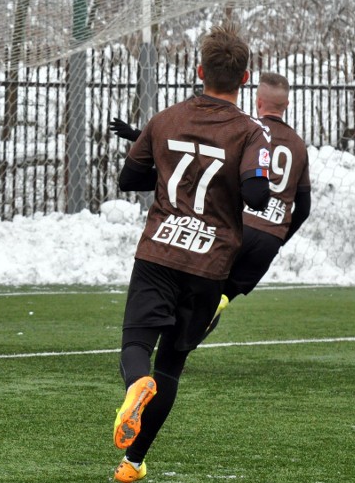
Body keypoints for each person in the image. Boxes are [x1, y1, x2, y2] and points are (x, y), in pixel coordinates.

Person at [111, 23, 272, 483]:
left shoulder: (166, 119)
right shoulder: (250, 132)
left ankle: (134, 386)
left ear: (199, 71)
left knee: (137, 346)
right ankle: (133, 462)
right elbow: (257, 196)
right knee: (171, 365)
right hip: (209, 263)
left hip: (159, 252)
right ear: (244, 79)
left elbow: (130, 179)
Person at [110, 71, 311, 333]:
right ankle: (213, 308)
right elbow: (303, 208)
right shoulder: (298, 145)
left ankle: (172, 334)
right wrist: (278, 239)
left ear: (258, 101)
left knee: (197, 285)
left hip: (240, 225)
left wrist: (139, 134)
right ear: (287, 105)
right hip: (269, 238)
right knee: (221, 295)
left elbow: (200, 154)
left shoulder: (247, 130)